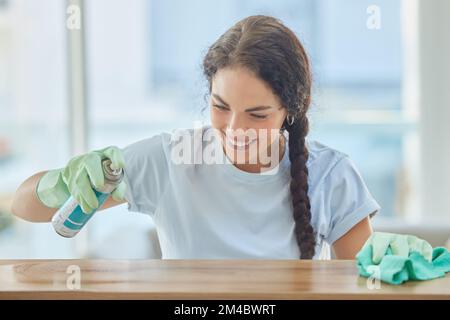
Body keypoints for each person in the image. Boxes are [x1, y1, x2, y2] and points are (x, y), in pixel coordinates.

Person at [11, 15, 382, 260]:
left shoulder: (331, 174)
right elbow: (23, 206)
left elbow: (364, 286)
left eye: (257, 115)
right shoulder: (172, 157)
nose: (235, 130)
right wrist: (62, 183)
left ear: (291, 111)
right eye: (221, 107)